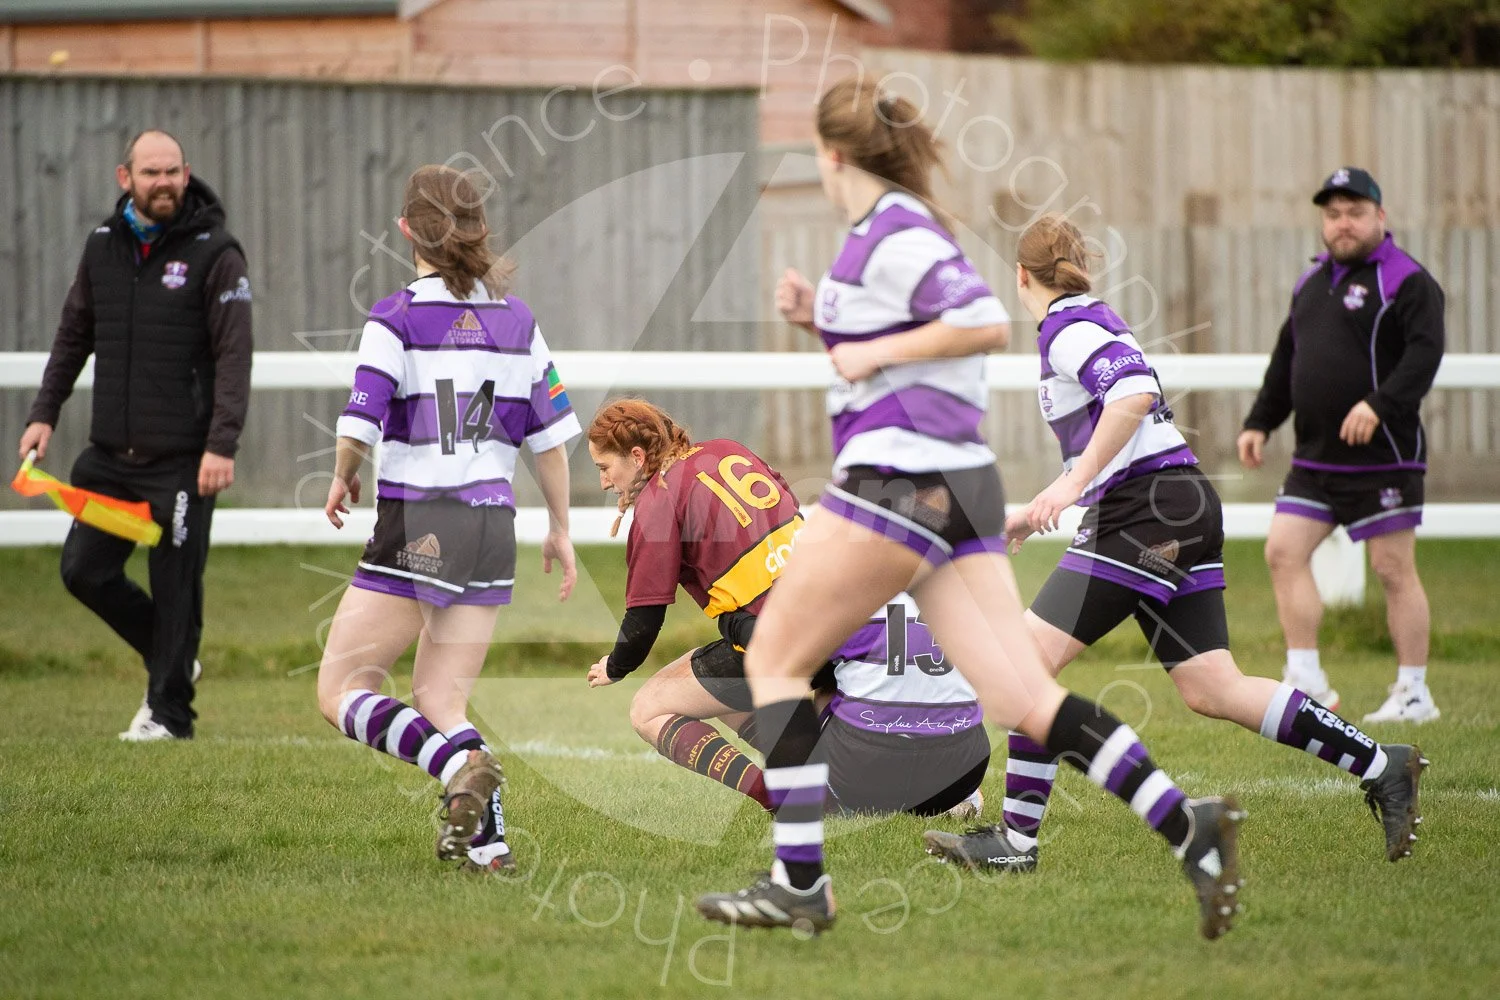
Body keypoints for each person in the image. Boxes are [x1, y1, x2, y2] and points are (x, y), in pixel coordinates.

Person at [694, 79, 1245, 941]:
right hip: (955, 486)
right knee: (1024, 696)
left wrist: (863, 346)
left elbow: (981, 321)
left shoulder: (897, 228)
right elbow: (900, 353)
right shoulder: (884, 233)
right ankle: (1188, 826)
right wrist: (819, 325)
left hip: (895, 482)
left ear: (831, 155)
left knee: (773, 658)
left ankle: (800, 884)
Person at [928, 213, 1427, 876]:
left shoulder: (1065, 327)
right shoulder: (1090, 318)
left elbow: (1134, 394)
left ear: (1021, 276)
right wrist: (1049, 502)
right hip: (1175, 503)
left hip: (1149, 511)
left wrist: (1071, 485)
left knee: (1023, 667)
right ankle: (1382, 764)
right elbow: (1125, 413)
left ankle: (1016, 844)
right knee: (1211, 686)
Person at [316, 164, 579, 875]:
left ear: (406, 230)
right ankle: (490, 850)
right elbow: (551, 441)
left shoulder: (394, 318)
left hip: (423, 520)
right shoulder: (518, 322)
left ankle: (453, 768)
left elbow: (360, 421)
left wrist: (342, 475)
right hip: (493, 526)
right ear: (479, 229)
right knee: (440, 697)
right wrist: (560, 527)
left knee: (342, 690)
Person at [17, 129, 252, 742]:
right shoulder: (102, 245)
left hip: (184, 461)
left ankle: (169, 715)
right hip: (111, 459)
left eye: (172, 171)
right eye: (151, 173)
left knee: (176, 589)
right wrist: (45, 412)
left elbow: (234, 356)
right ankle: (173, 658)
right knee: (84, 571)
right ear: (126, 179)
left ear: (186, 174)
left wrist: (221, 445)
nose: (164, 182)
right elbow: (74, 333)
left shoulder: (216, 252)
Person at [1239, 168, 1446, 725]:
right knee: (1283, 552)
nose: (1343, 223)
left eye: (1355, 212)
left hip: (1384, 458)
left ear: (1381, 216)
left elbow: (1425, 355)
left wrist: (1379, 405)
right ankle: (1307, 679)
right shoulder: (1312, 283)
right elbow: (1287, 360)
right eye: (1333, 214)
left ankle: (1414, 693)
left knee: (1392, 568)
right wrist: (1260, 421)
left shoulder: (1407, 281)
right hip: (1314, 460)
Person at [583, 399, 805, 812]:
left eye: (604, 467)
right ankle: (810, 761)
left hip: (774, 641)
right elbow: (792, 506)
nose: (604, 482)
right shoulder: (728, 449)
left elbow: (644, 617)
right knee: (708, 689)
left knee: (648, 710)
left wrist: (615, 666)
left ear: (637, 457)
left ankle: (778, 795)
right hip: (828, 617)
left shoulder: (658, 499)